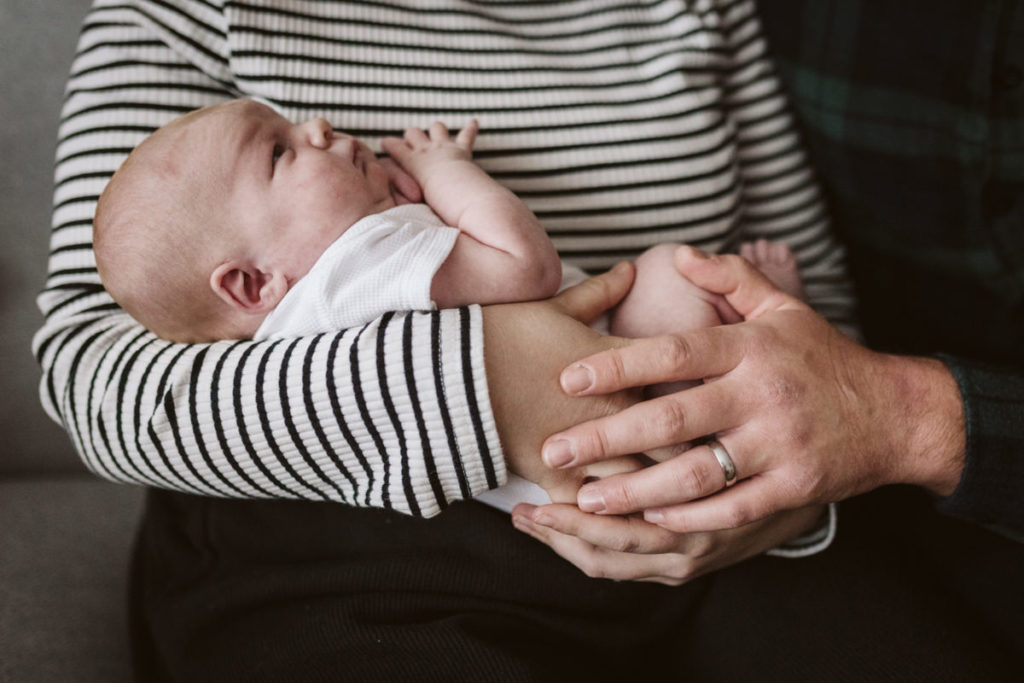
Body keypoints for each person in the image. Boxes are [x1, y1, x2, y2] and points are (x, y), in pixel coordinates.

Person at [41, 0, 1015, 680]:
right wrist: (493, 378)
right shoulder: (183, 9)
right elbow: (100, 375)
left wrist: (776, 468)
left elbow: (806, 294)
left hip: (700, 483)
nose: (323, 130)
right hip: (346, 520)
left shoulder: (699, 8)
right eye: (284, 147)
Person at [93, 96, 808, 511]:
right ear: (253, 285)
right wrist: (446, 173)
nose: (314, 126)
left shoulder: (307, 318)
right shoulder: (357, 261)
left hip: (543, 485)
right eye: (279, 152)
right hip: (620, 385)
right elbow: (524, 266)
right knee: (668, 271)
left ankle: (733, 406)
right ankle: (751, 352)